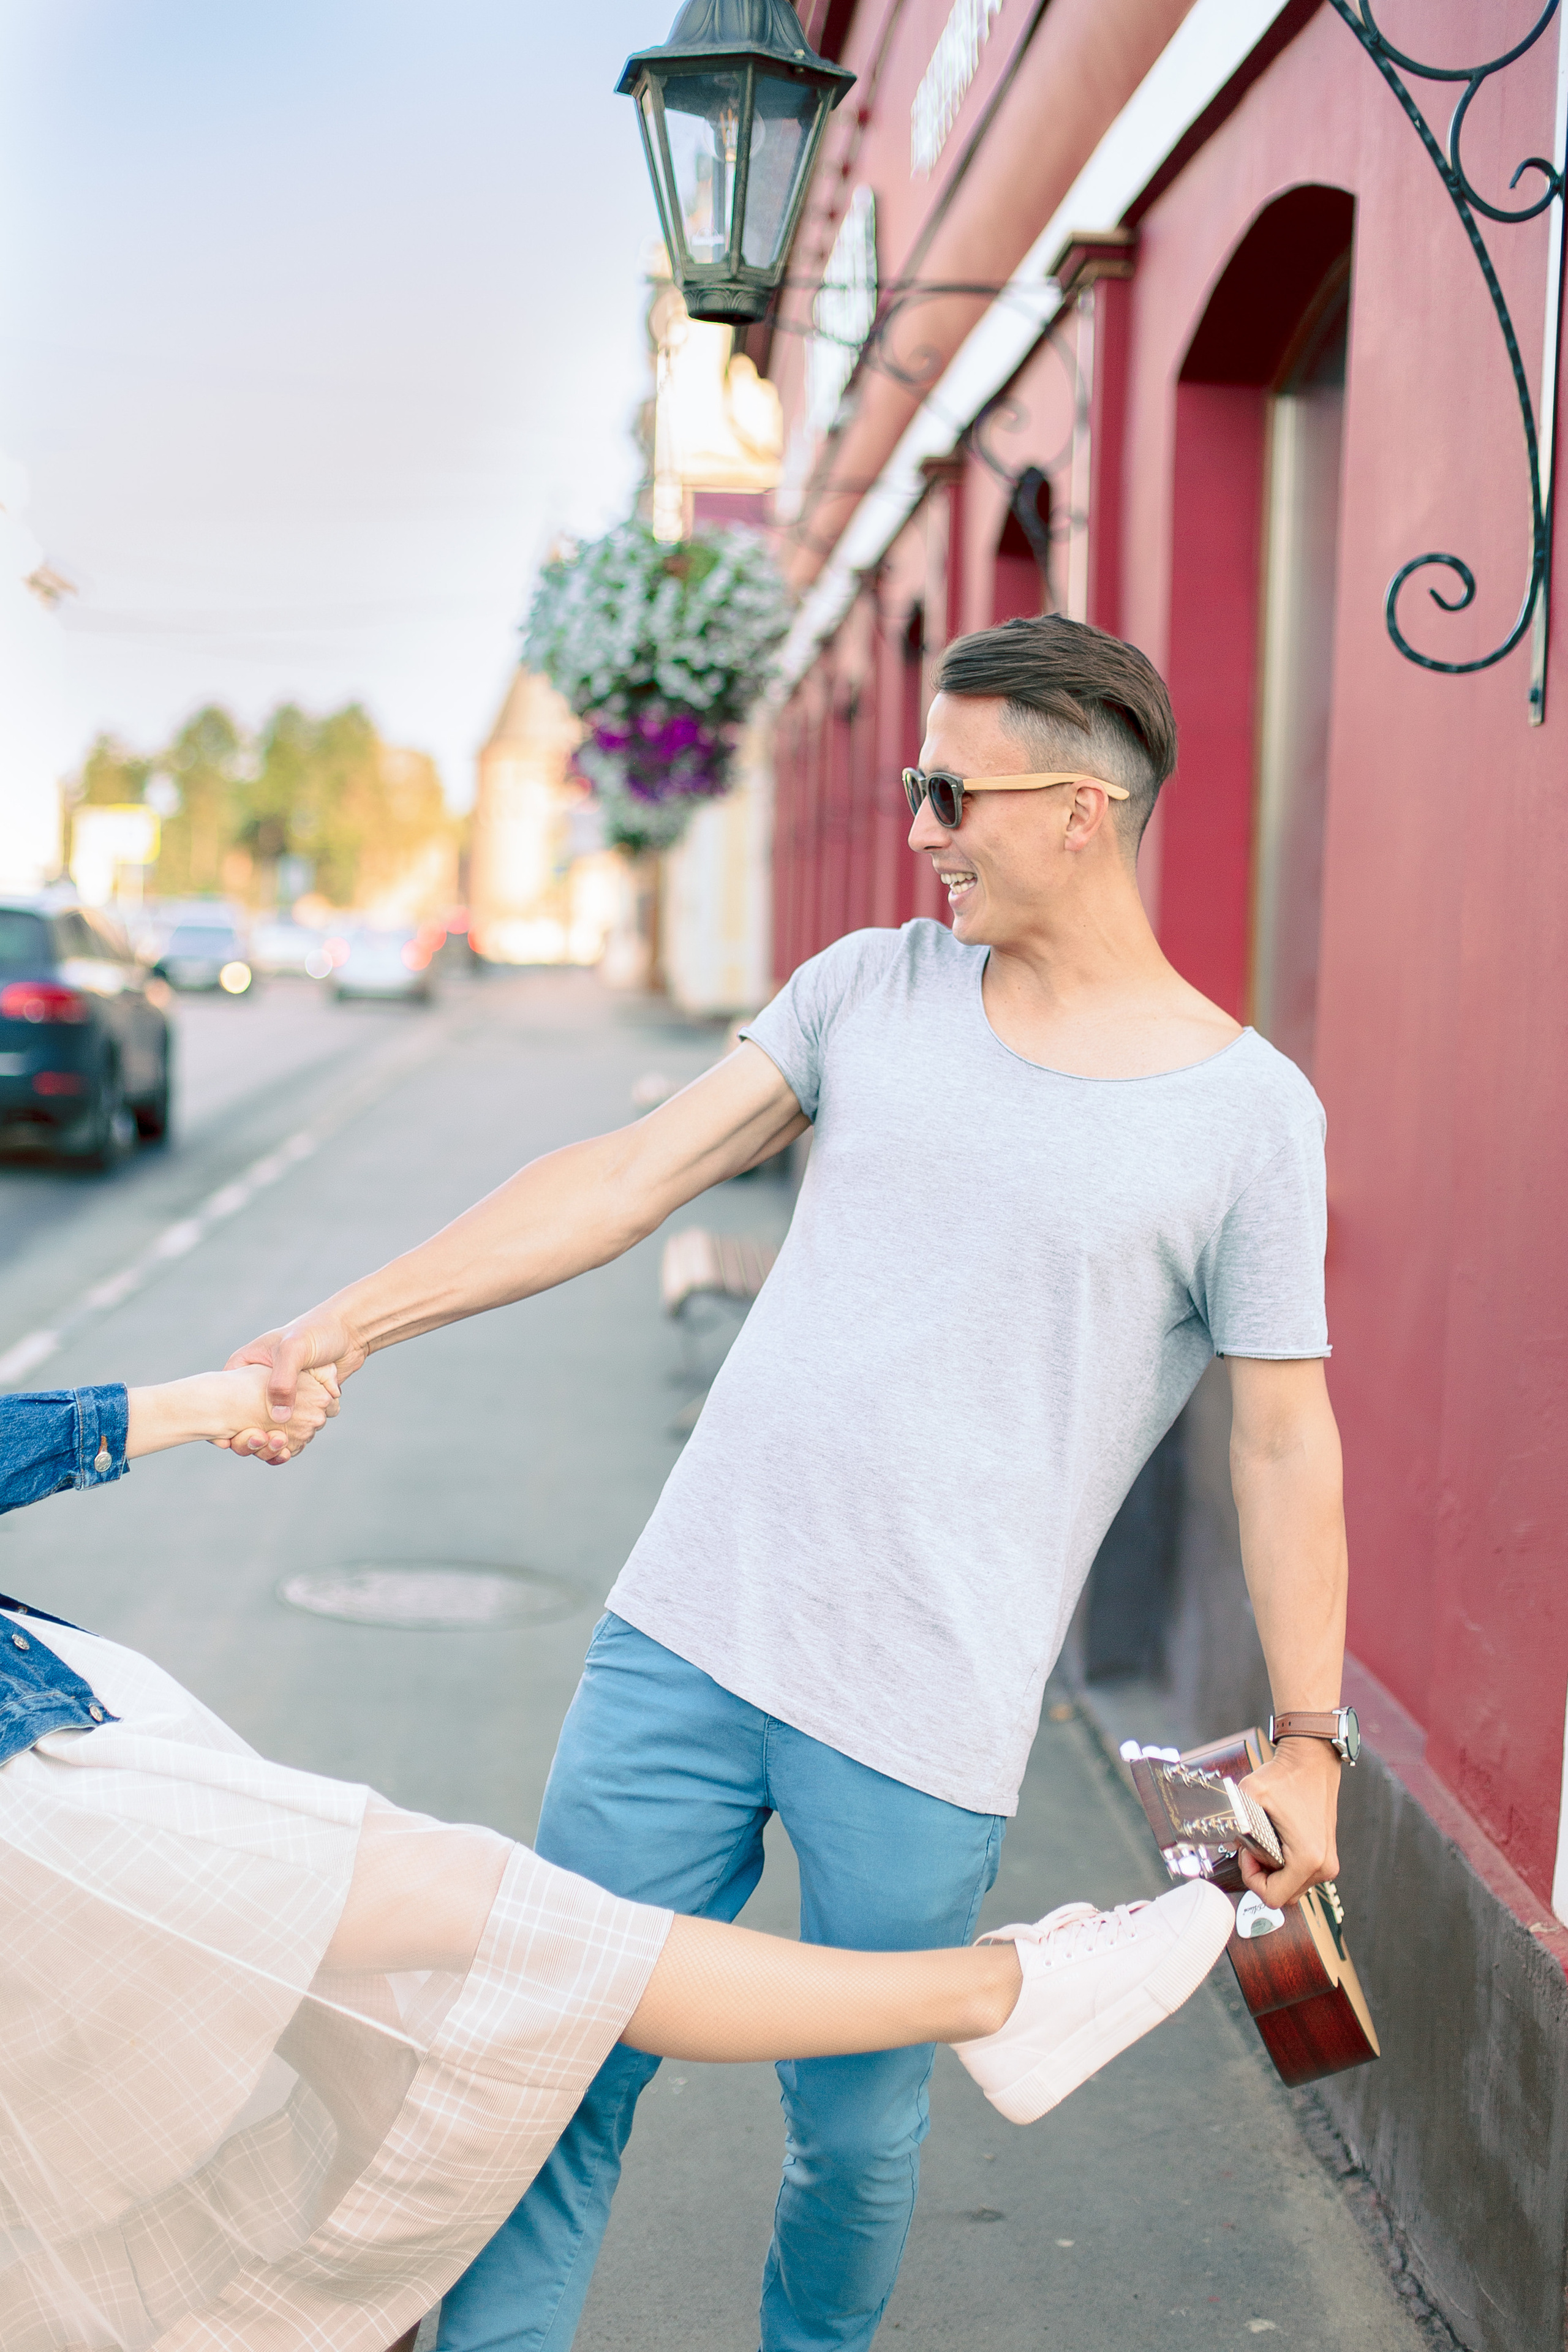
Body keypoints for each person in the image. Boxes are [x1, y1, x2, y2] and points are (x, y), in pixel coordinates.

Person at [233, 615, 1349, 2352]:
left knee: (854, 2134)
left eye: (949, 794)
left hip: (925, 1707)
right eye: (914, 784)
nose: (916, 828)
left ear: (1080, 812)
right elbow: (623, 1177)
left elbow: (1283, 1439)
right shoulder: (868, 990)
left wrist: (1308, 1742)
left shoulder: (1245, 1117)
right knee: (550, 2058)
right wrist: (348, 1323)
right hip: (687, 1632)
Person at [0, 1373, 1232, 2352]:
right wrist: (192, 1404)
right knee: (493, 1944)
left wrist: (191, 1405)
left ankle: (997, 1995)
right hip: (38, 1805)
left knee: (411, 2016)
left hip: (57, 1763)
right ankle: (997, 1994)